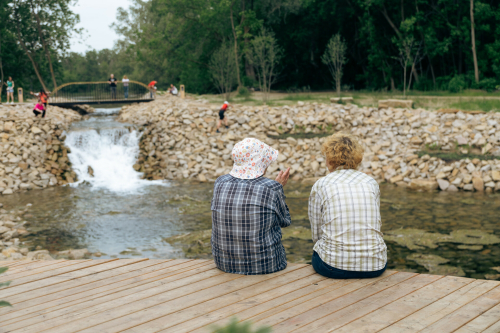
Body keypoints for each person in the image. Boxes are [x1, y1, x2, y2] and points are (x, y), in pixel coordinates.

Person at [308, 132, 387, 279]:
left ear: (330, 160)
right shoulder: (370, 182)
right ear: (357, 158)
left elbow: (316, 233)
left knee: (316, 254)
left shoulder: (321, 184)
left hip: (332, 267)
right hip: (375, 265)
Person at [211, 138, 291, 275]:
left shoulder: (220, 182)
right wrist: (279, 189)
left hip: (223, 263)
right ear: (260, 162)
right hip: (266, 265)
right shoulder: (272, 188)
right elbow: (285, 221)